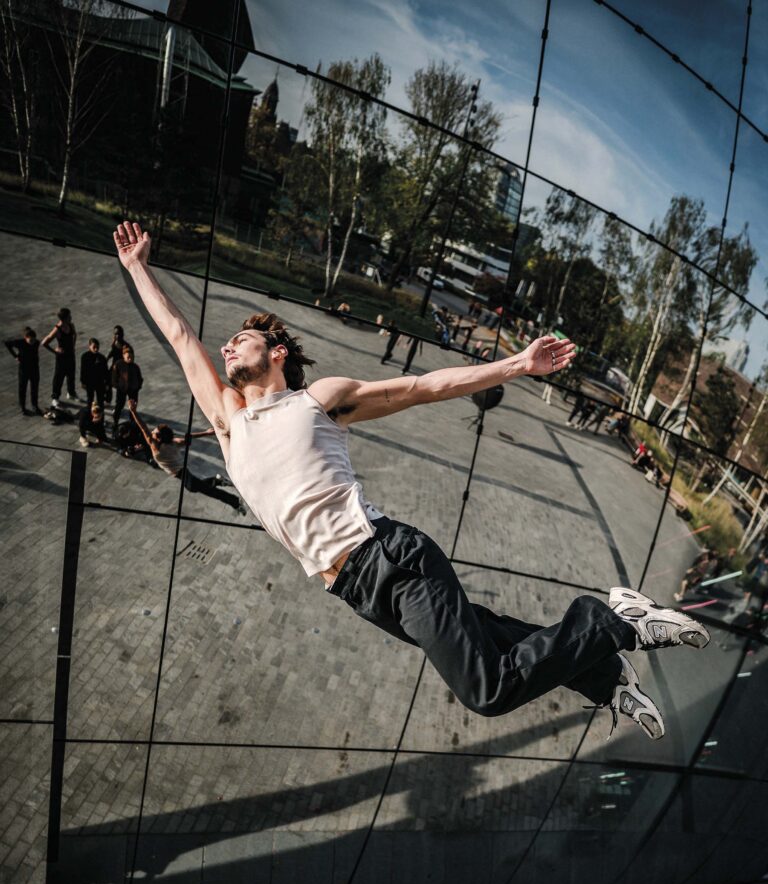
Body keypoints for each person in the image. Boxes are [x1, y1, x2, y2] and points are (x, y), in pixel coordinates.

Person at [114, 219, 712, 741]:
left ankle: (613, 620)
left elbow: (426, 387)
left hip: (391, 561)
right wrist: (138, 269)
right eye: (226, 342)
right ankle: (603, 675)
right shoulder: (228, 421)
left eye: (240, 339)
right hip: (352, 590)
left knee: (486, 689)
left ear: (275, 354)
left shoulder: (317, 400)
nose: (225, 345)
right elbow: (178, 337)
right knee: (486, 636)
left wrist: (518, 365)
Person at [126, 399, 244, 514]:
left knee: (203, 489)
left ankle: (235, 501)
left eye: (154, 432)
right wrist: (205, 433)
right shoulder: (173, 442)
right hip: (180, 472)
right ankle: (218, 480)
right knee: (197, 487)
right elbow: (188, 438)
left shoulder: (154, 444)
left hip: (182, 472)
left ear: (158, 437)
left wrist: (134, 411)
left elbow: (143, 427)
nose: (151, 432)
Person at [40, 307, 77, 405]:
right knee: (59, 377)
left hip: (70, 355)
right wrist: (55, 351)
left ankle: (71, 393)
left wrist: (73, 346)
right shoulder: (57, 330)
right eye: (69, 316)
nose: (71, 317)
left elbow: (75, 335)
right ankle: (55, 397)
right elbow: (44, 342)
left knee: (71, 374)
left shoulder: (71, 325)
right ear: (64, 318)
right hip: (62, 357)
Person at [5, 326, 41, 415]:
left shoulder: (37, 343)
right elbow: (7, 344)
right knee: (22, 389)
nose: (32, 342)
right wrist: (15, 356)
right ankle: (22, 407)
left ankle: (34, 405)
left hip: (34, 368)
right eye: (30, 340)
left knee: (34, 388)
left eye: (33, 340)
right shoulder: (20, 343)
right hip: (24, 369)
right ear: (25, 338)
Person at [111, 343, 143, 432]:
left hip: (133, 389)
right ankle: (115, 422)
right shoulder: (119, 364)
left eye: (131, 357)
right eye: (128, 357)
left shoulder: (135, 366)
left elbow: (139, 378)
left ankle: (132, 424)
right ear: (123, 356)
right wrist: (117, 386)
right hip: (122, 389)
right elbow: (114, 377)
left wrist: (138, 386)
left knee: (132, 408)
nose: (130, 359)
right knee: (119, 406)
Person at [80, 338, 110, 407]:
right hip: (89, 382)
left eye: (97, 347)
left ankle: (100, 413)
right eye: (94, 347)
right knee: (90, 399)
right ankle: (89, 412)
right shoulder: (85, 357)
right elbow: (83, 370)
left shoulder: (102, 358)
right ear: (89, 346)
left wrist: (107, 383)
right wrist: (83, 382)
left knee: (100, 400)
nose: (96, 349)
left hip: (99, 382)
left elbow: (106, 371)